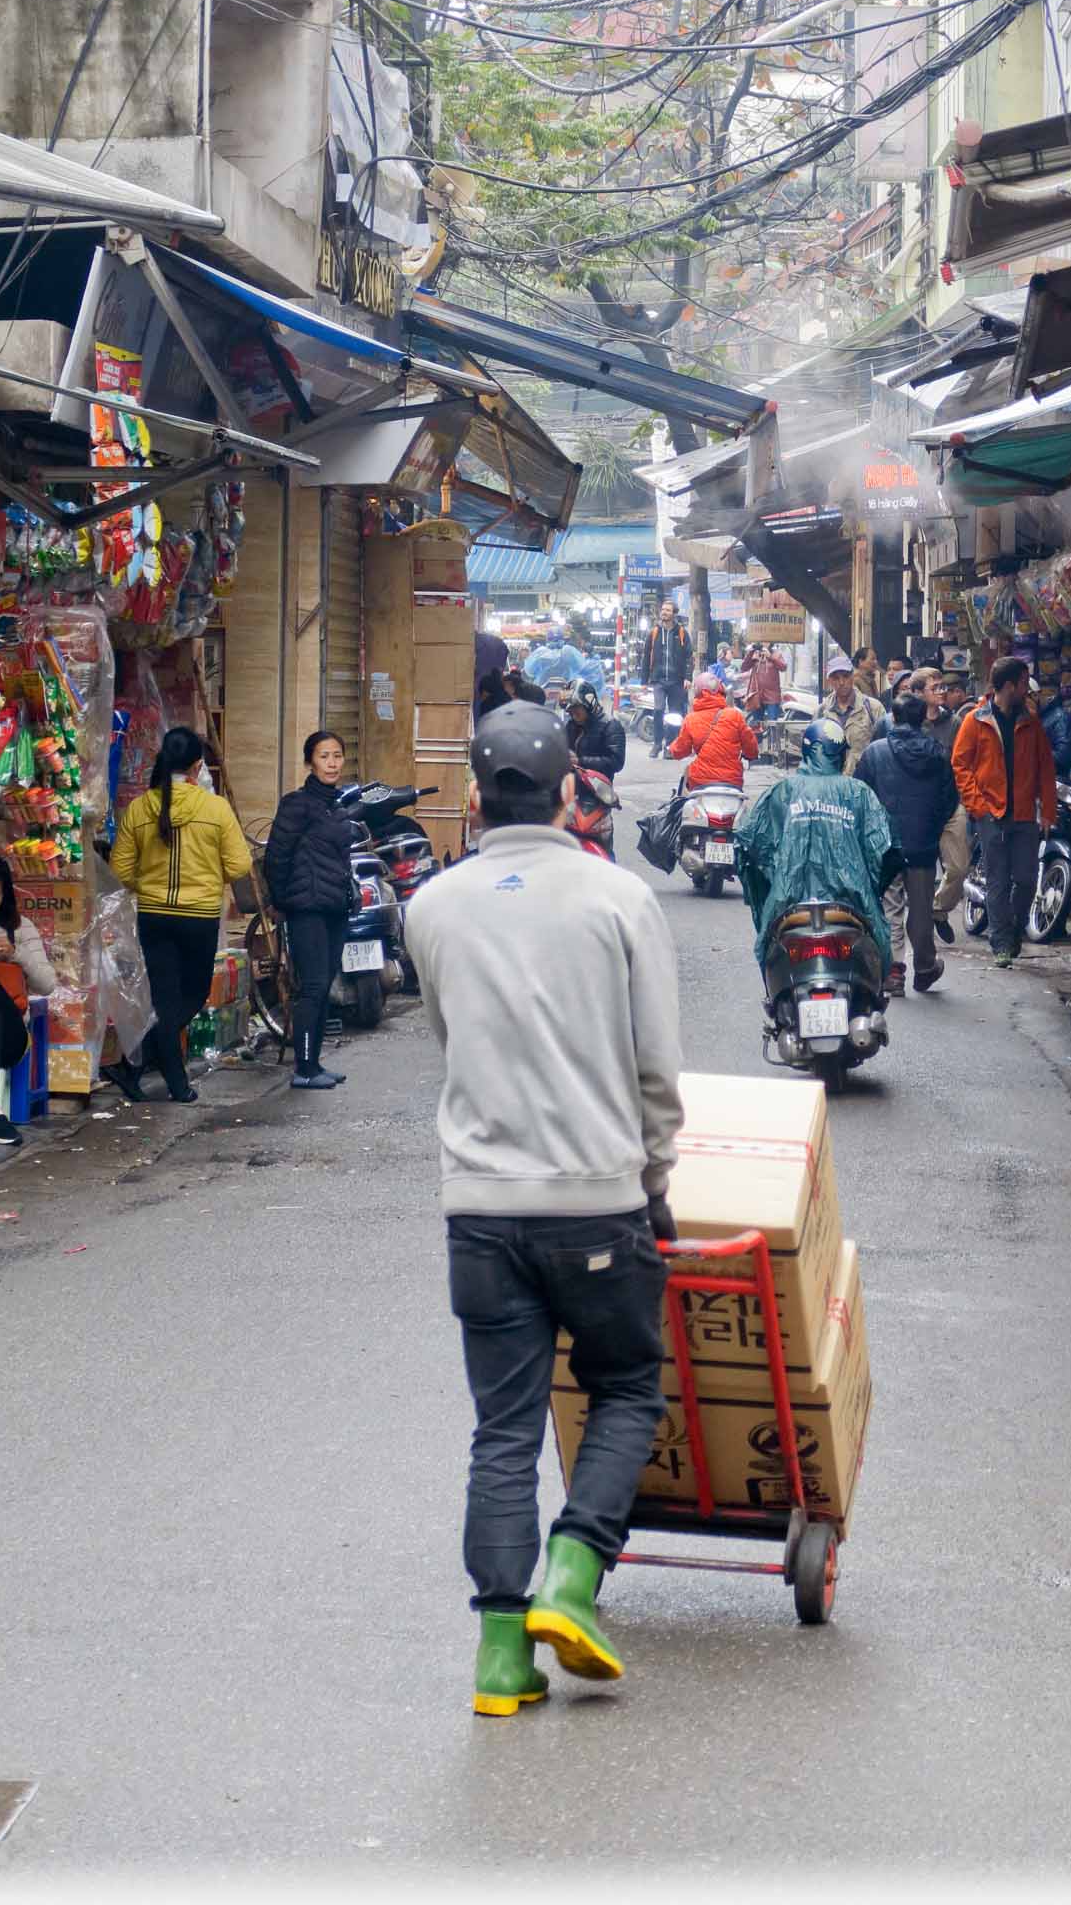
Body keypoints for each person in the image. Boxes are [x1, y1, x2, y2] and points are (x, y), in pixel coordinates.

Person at [402, 701, 683, 1717]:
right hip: (597, 1201)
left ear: (476, 801)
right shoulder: (615, 899)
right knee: (625, 1390)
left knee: (503, 1431)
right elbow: (657, 1069)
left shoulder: (430, 907)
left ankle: (498, 1660)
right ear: (573, 788)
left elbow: (447, 1037)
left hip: (479, 1211)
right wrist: (654, 1181)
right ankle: (572, 1576)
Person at [111, 726, 256, 1101]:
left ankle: (133, 1067)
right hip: (199, 917)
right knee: (190, 996)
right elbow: (239, 865)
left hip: (154, 916)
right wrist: (210, 879)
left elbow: (122, 869)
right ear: (197, 766)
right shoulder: (215, 808)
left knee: (165, 999)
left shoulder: (141, 808)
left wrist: (147, 885)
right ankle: (176, 1084)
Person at [734, 716, 894, 986]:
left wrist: (774, 881)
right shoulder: (859, 793)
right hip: (853, 901)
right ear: (842, 755)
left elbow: (750, 847)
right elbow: (884, 850)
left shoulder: (782, 791)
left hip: (787, 901)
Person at [262, 729, 356, 1093]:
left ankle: (314, 1063)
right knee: (313, 985)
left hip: (335, 907)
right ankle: (303, 1067)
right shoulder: (296, 804)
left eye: (336, 756)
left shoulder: (336, 804)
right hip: (307, 909)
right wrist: (282, 902)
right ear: (309, 762)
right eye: (323, 756)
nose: (331, 763)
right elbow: (276, 857)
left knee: (325, 983)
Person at [951, 655, 1058, 969]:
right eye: (1024, 682)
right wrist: (978, 806)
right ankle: (1000, 942)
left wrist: (1048, 811)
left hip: (1025, 813)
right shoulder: (976, 719)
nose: (1028, 688)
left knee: (1026, 879)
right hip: (991, 814)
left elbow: (1045, 767)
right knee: (998, 881)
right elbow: (960, 764)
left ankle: (1013, 929)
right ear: (1009, 685)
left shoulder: (1031, 720)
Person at [855, 693, 959, 998]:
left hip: (886, 845)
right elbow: (949, 799)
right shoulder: (938, 754)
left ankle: (894, 970)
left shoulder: (875, 753)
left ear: (894, 718)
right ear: (921, 719)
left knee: (891, 906)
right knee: (922, 910)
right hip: (923, 844)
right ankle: (925, 966)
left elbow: (861, 795)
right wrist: (932, 827)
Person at [0, 851, 55, 1143]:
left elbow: (47, 985)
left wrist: (15, 954)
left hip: (10, 1039)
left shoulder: (20, 929)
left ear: (4, 895)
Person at [930, 669, 976, 944]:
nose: (941, 692)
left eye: (942, 687)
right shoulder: (903, 721)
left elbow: (964, 761)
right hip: (917, 805)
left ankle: (938, 909)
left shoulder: (955, 723)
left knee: (958, 868)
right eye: (935, 687)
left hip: (950, 802)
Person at [666, 666, 758, 791]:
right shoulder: (735, 715)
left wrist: (671, 749)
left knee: (680, 801)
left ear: (697, 693)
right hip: (732, 781)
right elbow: (751, 747)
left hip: (700, 781)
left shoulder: (691, 719)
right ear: (721, 692)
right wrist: (750, 755)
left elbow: (680, 750)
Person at [641, 600, 693, 747]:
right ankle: (657, 743)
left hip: (676, 681)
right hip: (659, 680)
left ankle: (670, 745)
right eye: (663, 609)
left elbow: (689, 656)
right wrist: (644, 681)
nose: (664, 612)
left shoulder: (682, 633)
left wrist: (688, 677)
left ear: (674, 613)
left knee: (675, 715)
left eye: (668, 610)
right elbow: (646, 657)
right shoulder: (654, 633)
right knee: (658, 709)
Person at [822, 654, 883, 775]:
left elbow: (883, 749)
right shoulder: (822, 712)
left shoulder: (873, 708)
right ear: (829, 681)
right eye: (835, 678)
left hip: (863, 782)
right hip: (832, 783)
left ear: (852, 676)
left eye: (845, 676)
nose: (841, 682)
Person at [566, 680, 626, 779]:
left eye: (576, 709)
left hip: (597, 787)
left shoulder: (611, 725)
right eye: (570, 712)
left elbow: (616, 762)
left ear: (589, 704)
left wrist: (580, 761)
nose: (574, 715)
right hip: (572, 782)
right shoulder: (571, 725)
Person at [740, 644, 786, 716]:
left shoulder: (776, 653)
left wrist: (770, 657)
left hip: (772, 696)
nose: (764, 643)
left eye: (766, 641)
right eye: (762, 641)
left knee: (772, 724)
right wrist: (751, 653)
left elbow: (783, 667)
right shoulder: (754, 653)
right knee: (756, 724)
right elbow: (743, 668)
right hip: (756, 695)